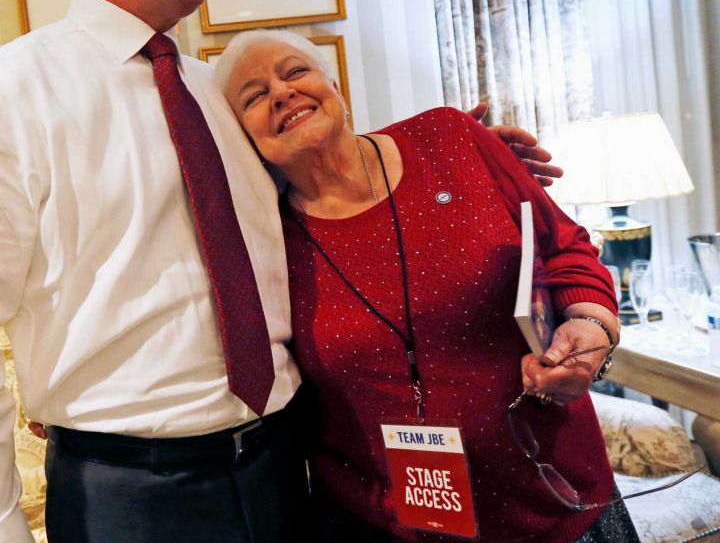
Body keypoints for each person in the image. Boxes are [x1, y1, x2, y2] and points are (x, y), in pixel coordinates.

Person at [0, 0, 561, 542]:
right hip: (128, 498)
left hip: (289, 469)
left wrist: (450, 157)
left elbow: (316, 194)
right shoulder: (4, 93)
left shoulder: (219, 99)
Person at [215, 29, 641, 542]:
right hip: (388, 528)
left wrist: (591, 327)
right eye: (255, 96)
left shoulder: (450, 138)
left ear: (334, 86)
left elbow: (565, 247)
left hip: (558, 501)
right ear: (243, 139)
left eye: (294, 72)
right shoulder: (263, 242)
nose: (281, 93)